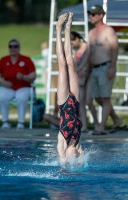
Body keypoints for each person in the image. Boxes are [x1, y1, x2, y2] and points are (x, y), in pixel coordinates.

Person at [76, 5, 126, 134]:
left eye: (93, 14)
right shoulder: (92, 33)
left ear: (101, 15)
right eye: (90, 14)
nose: (90, 17)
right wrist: (80, 68)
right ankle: (116, 119)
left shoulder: (108, 31)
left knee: (105, 98)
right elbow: (87, 52)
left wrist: (112, 67)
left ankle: (101, 127)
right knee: (97, 98)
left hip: (106, 66)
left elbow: (115, 49)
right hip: (95, 69)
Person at [56, 12, 83, 166]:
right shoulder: (78, 143)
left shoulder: (63, 138)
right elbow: (84, 162)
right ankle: (68, 29)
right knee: (71, 62)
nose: (74, 155)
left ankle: (59, 28)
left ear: (67, 153)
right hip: (76, 101)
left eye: (70, 156)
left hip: (64, 102)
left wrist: (62, 161)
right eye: (76, 156)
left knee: (62, 64)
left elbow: (58, 148)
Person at [0, 39, 36, 129]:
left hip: (24, 86)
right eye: (11, 46)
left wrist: (23, 77)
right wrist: (4, 82)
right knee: (1, 97)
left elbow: (33, 76)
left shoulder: (26, 60)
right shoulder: (3, 60)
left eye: (15, 46)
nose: (13, 48)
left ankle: (20, 122)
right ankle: (5, 121)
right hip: (8, 87)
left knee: (21, 97)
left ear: (19, 48)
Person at [71, 31, 99, 132]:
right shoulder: (75, 49)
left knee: (89, 101)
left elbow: (89, 63)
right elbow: (76, 64)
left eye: (72, 42)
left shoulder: (86, 47)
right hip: (81, 75)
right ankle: (84, 126)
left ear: (77, 39)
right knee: (81, 101)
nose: (72, 45)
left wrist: (84, 76)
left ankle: (97, 124)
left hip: (89, 74)